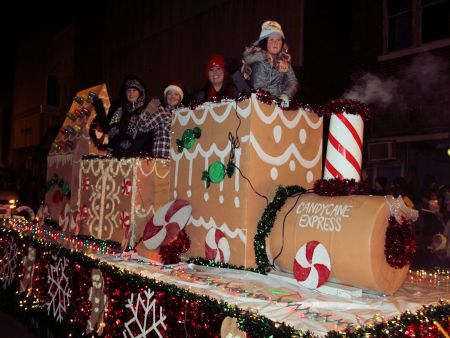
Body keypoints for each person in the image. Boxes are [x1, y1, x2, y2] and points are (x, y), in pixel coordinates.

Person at [92, 75, 162, 158]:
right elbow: (106, 128)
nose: (131, 94)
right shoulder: (120, 110)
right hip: (117, 154)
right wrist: (99, 107)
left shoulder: (147, 111)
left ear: (140, 93)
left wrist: (129, 149)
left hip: (138, 156)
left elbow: (145, 136)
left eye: (134, 90)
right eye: (128, 90)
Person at [242, 20, 299, 107]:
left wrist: (286, 95)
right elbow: (260, 88)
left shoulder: (284, 61)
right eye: (271, 39)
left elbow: (293, 82)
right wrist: (276, 102)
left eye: (279, 40)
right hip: (262, 105)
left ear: (282, 43)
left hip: (280, 106)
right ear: (265, 42)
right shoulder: (259, 61)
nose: (275, 43)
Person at [150, 83, 184, 159]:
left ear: (180, 98)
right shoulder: (159, 111)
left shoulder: (185, 115)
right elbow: (142, 127)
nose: (172, 97)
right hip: (160, 155)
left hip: (179, 158)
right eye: (169, 94)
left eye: (176, 94)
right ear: (166, 97)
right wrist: (150, 108)